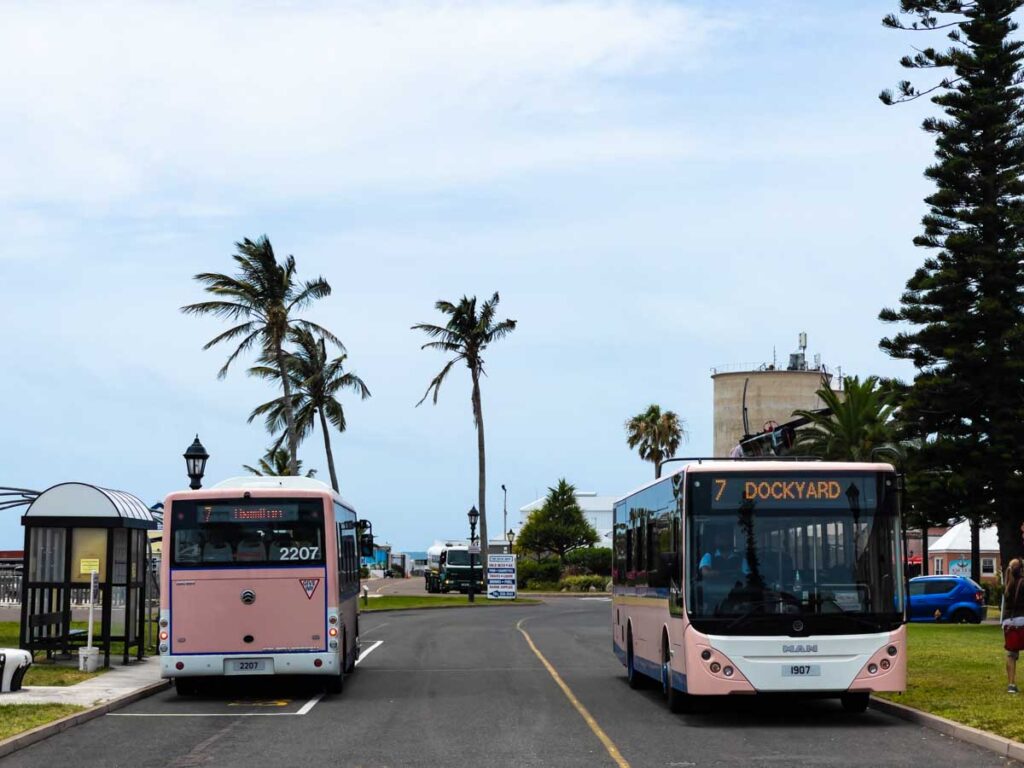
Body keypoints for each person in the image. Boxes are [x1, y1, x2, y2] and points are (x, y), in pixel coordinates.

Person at [1003, 558, 1024, 694]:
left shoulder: (1007, 584)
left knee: (1011, 654)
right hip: (1022, 619)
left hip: (1008, 622)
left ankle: (1011, 684)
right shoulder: (1023, 583)